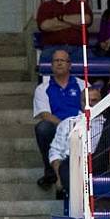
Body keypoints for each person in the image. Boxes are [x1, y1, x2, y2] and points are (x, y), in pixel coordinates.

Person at [33, 49, 85, 188]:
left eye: (63, 60)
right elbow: (45, 114)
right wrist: (65, 126)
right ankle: (51, 172)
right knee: (43, 128)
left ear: (70, 65)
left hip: (79, 126)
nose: (59, 63)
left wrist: (75, 126)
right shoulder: (43, 88)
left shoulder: (82, 85)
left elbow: (90, 107)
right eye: (56, 60)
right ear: (51, 65)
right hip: (56, 125)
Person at [49, 86, 105, 201]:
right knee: (67, 165)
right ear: (81, 102)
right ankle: (80, 209)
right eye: (86, 101)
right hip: (74, 163)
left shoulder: (109, 123)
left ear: (101, 102)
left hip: (99, 162)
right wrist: (59, 177)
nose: (89, 104)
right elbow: (56, 152)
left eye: (94, 101)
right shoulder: (67, 123)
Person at [35, 0, 92, 65]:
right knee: (45, 60)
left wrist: (60, 19)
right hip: (52, 49)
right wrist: (73, 23)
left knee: (92, 63)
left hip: (78, 49)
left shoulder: (81, 5)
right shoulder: (45, 6)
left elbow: (87, 19)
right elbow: (44, 26)